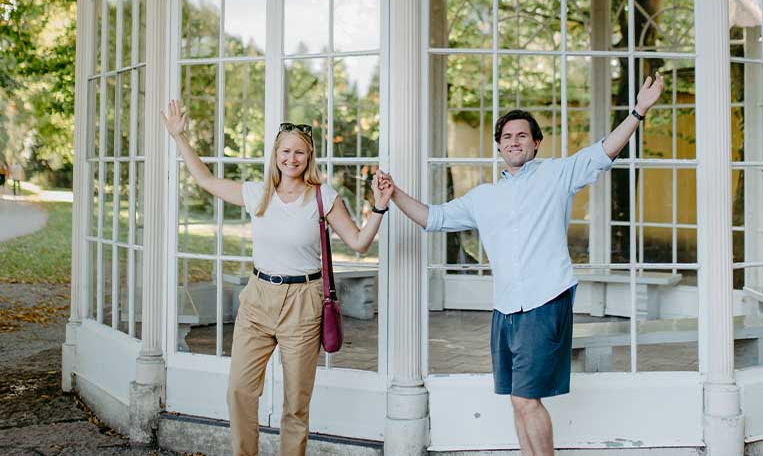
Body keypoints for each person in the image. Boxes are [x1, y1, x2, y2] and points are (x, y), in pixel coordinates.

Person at [377, 74, 665, 456]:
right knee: (517, 399)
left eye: (522, 136)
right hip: (506, 308)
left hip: (545, 301)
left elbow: (603, 151)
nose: (515, 141)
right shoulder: (483, 197)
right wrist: (394, 194)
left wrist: (638, 111)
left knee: (528, 400)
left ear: (536, 143)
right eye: (507, 137)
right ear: (499, 146)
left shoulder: (556, 175)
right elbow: (433, 218)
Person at [161, 99, 392, 456]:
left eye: (300, 152)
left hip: (303, 302)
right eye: (286, 151)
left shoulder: (322, 197)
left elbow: (360, 243)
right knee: (239, 390)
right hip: (258, 298)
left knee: (295, 403)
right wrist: (179, 138)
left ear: (309, 157)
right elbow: (205, 180)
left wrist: (379, 206)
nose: (292, 158)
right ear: (276, 154)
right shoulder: (258, 193)